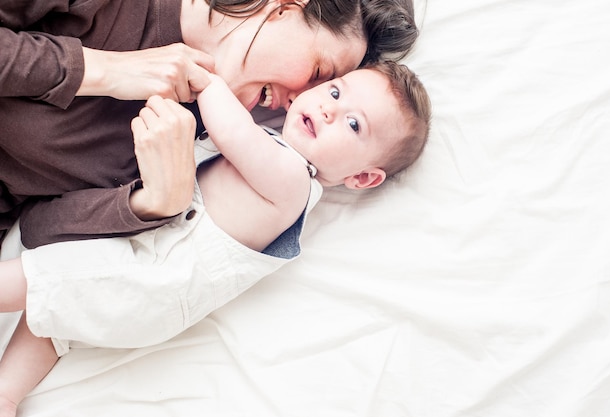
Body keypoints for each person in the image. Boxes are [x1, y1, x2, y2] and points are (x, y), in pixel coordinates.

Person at [0, 59, 432, 417]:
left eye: (354, 124)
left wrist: (207, 78)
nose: (329, 111)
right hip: (147, 272)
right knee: (50, 321)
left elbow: (233, 132)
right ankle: (7, 394)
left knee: (41, 279)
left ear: (361, 178)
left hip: (155, 276)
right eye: (335, 92)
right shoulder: (277, 146)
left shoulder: (293, 182)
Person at [0, 0, 419, 248]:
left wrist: (156, 202)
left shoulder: (204, 140)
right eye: (318, 73)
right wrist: (106, 71)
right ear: (286, 9)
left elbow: (36, 230)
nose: (300, 99)